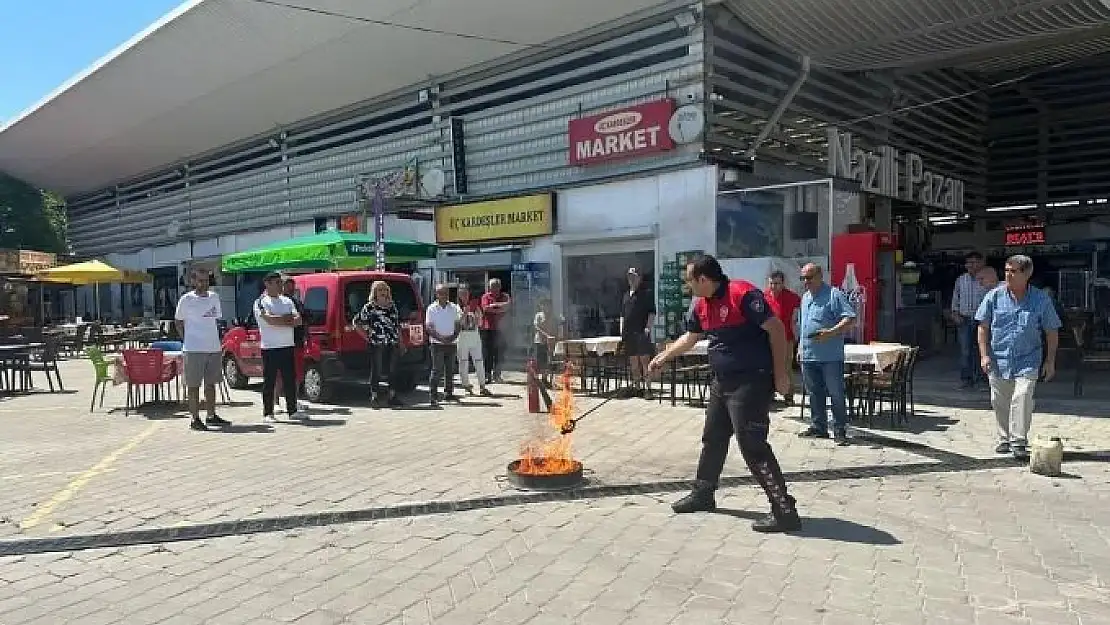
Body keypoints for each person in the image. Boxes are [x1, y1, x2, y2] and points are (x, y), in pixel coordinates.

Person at [648, 255, 800, 533]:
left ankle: (785, 509)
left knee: (753, 446)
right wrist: (664, 356)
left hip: (751, 382)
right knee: (713, 438)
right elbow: (690, 337)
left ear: (703, 279)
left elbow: (777, 329)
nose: (688, 285)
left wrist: (781, 374)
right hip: (722, 383)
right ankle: (703, 493)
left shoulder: (742, 294)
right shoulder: (701, 306)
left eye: (689, 280)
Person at [976, 255, 1061, 460]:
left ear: (1027, 274)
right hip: (999, 359)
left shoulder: (1041, 299)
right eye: (1006, 270)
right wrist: (984, 355)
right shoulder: (994, 296)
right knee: (1000, 400)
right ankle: (1004, 438)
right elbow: (983, 327)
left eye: (1013, 271)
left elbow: (1051, 331)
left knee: (1022, 396)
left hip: (1029, 359)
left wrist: (1050, 361)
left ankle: (1019, 440)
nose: (1008, 275)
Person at [797, 263, 857, 446]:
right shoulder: (805, 298)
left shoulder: (834, 294)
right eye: (803, 278)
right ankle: (819, 427)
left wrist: (830, 332)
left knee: (836, 393)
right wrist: (800, 347)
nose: (806, 282)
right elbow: (802, 325)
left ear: (820, 276)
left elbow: (850, 318)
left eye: (809, 277)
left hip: (830, 356)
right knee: (814, 392)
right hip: (808, 355)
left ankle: (840, 430)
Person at [174, 268, 231, 432]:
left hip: (212, 347)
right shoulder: (186, 300)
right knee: (193, 386)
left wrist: (218, 339)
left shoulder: (214, 297)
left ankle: (211, 415)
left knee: (211, 384)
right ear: (193, 281)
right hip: (193, 349)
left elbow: (216, 319)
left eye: (206, 280)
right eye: (200, 280)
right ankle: (195, 418)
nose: (204, 284)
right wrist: (187, 339)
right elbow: (178, 322)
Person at [255, 272, 304, 423]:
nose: (280, 286)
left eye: (280, 282)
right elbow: (269, 320)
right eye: (276, 282)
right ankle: (268, 413)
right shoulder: (261, 302)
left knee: (290, 380)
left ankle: (292, 410)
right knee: (269, 381)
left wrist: (281, 319)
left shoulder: (287, 301)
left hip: (287, 345)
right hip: (270, 347)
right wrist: (286, 319)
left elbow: (299, 320)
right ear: (267, 284)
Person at [352, 280, 404, 408]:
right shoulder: (369, 307)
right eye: (380, 290)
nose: (383, 292)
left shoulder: (392, 306)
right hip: (377, 343)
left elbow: (397, 325)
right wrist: (367, 337)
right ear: (374, 292)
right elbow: (356, 323)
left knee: (393, 370)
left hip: (392, 341)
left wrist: (401, 342)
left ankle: (392, 395)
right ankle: (374, 396)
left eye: (385, 289)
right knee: (377, 370)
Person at [951, 251, 990, 389]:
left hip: (982, 321)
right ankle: (966, 379)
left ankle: (982, 379)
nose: (970, 265)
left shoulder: (987, 280)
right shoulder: (961, 280)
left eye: (974, 262)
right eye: (968, 263)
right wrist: (955, 314)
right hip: (964, 319)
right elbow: (956, 298)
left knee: (982, 350)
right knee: (965, 351)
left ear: (981, 263)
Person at [765, 270, 802, 404]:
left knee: (786, 367)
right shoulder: (764, 297)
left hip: (786, 338)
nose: (774, 287)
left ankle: (788, 395)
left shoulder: (792, 297)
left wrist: (797, 339)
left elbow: (796, 319)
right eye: (771, 283)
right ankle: (770, 394)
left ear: (783, 283)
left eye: (777, 283)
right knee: (768, 366)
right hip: (767, 338)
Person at [621, 268, 657, 398]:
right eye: (629, 277)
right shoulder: (626, 295)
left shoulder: (646, 293)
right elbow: (623, 315)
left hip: (641, 332)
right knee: (634, 364)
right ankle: (637, 388)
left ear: (639, 278)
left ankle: (648, 389)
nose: (631, 279)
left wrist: (648, 328)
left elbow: (652, 313)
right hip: (629, 334)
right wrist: (622, 331)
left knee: (644, 362)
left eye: (634, 277)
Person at [426, 284, 462, 407]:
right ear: (437, 294)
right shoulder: (431, 308)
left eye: (446, 293)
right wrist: (441, 338)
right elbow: (429, 328)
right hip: (437, 344)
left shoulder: (454, 308)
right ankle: (433, 395)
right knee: (437, 370)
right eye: (441, 293)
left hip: (452, 343)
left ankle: (449, 393)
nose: (444, 295)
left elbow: (458, 324)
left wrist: (453, 337)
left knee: (450, 370)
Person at [276, 275, 308, 413]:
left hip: (297, 341)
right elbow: (283, 320)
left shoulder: (296, 302)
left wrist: (306, 335)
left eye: (292, 285)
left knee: (297, 374)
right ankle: (275, 402)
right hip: (281, 343)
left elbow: (301, 319)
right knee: (279, 375)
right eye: (287, 285)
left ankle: (293, 400)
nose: (290, 288)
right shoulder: (277, 302)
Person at [456, 285, 490, 396]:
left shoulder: (475, 306)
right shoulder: (455, 307)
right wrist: (465, 313)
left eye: (466, 293)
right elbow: (457, 324)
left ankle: (482, 386)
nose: (464, 296)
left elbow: (480, 324)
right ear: (458, 295)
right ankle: (466, 385)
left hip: (474, 337)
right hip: (462, 338)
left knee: (479, 362)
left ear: (469, 294)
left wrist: (477, 319)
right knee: (463, 362)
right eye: (461, 294)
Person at [479, 278, 511, 384]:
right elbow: (485, 309)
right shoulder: (485, 296)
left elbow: (508, 306)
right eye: (492, 287)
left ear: (500, 287)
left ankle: (497, 375)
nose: (494, 289)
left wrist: (493, 306)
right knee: (488, 353)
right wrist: (499, 308)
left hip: (501, 329)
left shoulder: (505, 296)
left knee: (499, 353)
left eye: (496, 286)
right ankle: (487, 375)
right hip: (487, 329)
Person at [533, 298, 556, 388]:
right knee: (540, 361)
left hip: (550, 342)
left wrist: (554, 337)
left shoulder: (553, 317)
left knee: (548, 361)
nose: (547, 307)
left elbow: (555, 329)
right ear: (541, 306)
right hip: (540, 341)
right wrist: (546, 335)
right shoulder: (538, 316)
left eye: (548, 305)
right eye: (544, 305)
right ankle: (537, 380)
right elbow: (537, 327)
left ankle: (544, 378)